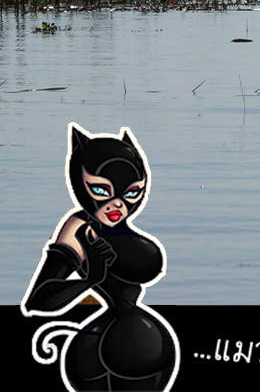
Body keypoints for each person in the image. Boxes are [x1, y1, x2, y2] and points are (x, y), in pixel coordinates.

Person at [22, 125, 179, 391]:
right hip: (104, 348)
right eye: (101, 191)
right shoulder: (80, 228)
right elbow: (38, 301)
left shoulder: (118, 230)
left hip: (137, 345)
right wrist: (90, 280)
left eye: (131, 194)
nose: (118, 204)